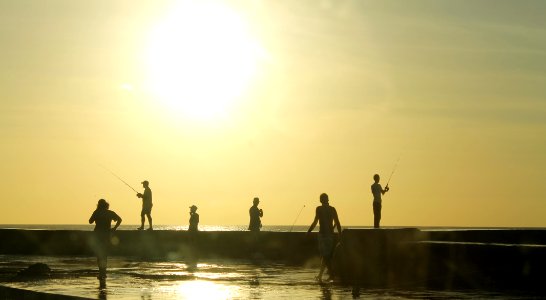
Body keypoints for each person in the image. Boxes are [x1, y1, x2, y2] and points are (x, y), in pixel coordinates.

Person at [307, 193, 342, 283]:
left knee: (325, 256)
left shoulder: (319, 209)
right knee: (326, 255)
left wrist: (309, 231)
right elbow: (337, 223)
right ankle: (320, 275)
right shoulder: (332, 209)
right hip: (330, 235)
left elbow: (315, 222)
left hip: (322, 235)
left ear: (321, 200)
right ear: (328, 199)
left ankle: (332, 275)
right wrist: (340, 235)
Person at [89, 199, 122, 281]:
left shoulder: (97, 212)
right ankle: (104, 273)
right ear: (106, 205)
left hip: (98, 235)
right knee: (104, 255)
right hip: (107, 235)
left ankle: (101, 272)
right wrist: (114, 228)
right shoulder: (110, 213)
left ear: (98, 205)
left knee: (99, 255)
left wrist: (96, 212)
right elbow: (119, 219)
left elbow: (90, 221)